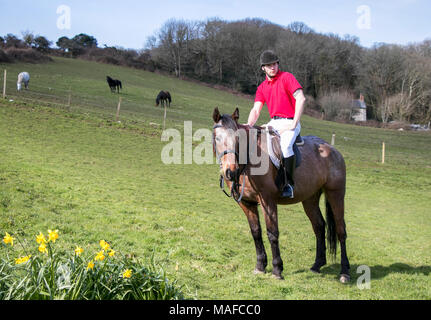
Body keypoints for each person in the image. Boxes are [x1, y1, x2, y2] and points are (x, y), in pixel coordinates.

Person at [246, 50, 306, 198]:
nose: (272, 67)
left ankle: (288, 185)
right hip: (274, 122)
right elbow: (256, 109)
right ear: (263, 68)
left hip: (290, 121)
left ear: (278, 64)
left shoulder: (287, 77)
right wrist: (248, 125)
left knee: (285, 146)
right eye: (268, 65)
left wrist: (294, 123)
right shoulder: (262, 87)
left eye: (274, 64)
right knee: (255, 139)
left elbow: (301, 98)